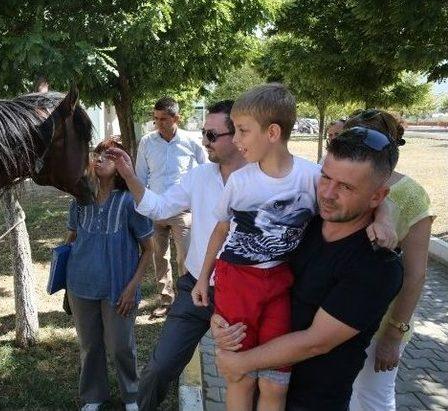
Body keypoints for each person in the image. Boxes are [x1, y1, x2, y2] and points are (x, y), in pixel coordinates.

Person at [212, 126, 405, 411]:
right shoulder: (304, 222)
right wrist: (223, 321)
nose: (327, 193)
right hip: (253, 385)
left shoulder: (378, 265)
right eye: (325, 177)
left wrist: (239, 362)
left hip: (309, 401)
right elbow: (250, 274)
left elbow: (316, 342)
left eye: (346, 187)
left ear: (377, 196)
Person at [106, 100, 248, 409]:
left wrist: (382, 216)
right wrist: (130, 176)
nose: (204, 140)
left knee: (245, 376)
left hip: (246, 294)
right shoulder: (200, 177)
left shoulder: (269, 177)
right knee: (159, 368)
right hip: (196, 288)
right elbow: (158, 206)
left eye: (212, 135)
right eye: (203, 133)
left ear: (239, 135)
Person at [193, 83, 320, 411]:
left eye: (243, 131)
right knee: (241, 376)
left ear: (273, 132)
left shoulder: (312, 177)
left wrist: (383, 219)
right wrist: (202, 278)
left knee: (276, 382)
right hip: (237, 279)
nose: (235, 140)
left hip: (280, 282)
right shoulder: (241, 181)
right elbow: (220, 230)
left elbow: (357, 195)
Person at [346, 110, 435, 411]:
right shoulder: (334, 179)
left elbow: (415, 275)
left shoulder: (411, 194)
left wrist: (393, 335)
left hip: (379, 321)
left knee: (372, 398)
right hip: (332, 313)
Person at [65, 138, 154, 411]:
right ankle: (93, 396)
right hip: (81, 285)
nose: (100, 159)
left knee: (120, 347)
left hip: (118, 289)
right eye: (98, 154)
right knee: (90, 345)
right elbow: (71, 240)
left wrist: (132, 288)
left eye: (110, 156)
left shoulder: (130, 202)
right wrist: (66, 283)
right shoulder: (80, 201)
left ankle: (131, 395)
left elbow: (149, 249)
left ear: (121, 166)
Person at [135, 96, 207, 318]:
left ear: (177, 118)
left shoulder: (191, 141)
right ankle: (166, 299)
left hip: (182, 211)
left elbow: (206, 170)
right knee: (160, 256)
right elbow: (140, 175)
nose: (159, 123)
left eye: (164, 119)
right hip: (155, 209)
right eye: (156, 118)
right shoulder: (147, 141)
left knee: (185, 257)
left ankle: (186, 300)